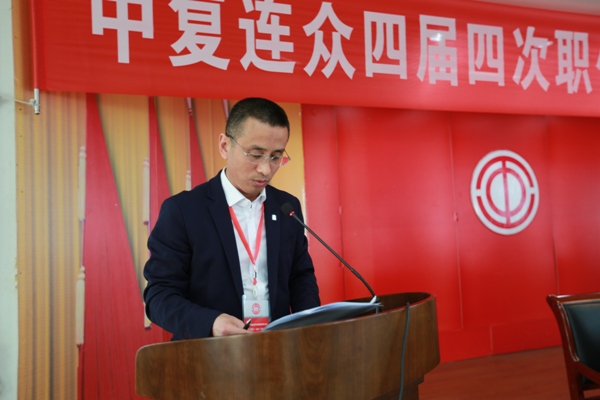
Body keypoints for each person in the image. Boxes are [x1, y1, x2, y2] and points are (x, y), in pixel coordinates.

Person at [143, 97, 320, 340]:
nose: (265, 170)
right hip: (210, 353)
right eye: (255, 155)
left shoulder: (286, 207)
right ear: (225, 146)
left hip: (277, 350)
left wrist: (311, 328)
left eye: (276, 157)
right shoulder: (183, 211)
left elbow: (300, 278)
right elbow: (159, 297)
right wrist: (211, 323)